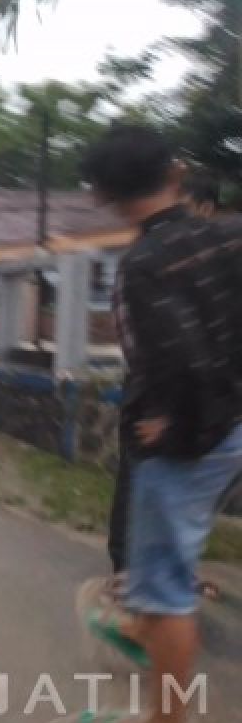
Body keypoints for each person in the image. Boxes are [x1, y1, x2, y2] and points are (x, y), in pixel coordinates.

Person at [77, 125, 242, 723]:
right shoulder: (228, 236)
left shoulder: (144, 264)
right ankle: (143, 619)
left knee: (170, 586)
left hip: (192, 436)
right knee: (160, 558)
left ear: (102, 197)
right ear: (174, 172)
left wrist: (169, 423)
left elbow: (177, 356)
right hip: (229, 421)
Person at [105, 171, 224, 602]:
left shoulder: (213, 257)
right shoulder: (146, 260)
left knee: (185, 495)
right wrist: (159, 407)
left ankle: (172, 577)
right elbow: (144, 345)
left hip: (206, 402)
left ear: (207, 210)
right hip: (155, 395)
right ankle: (126, 572)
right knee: (140, 479)